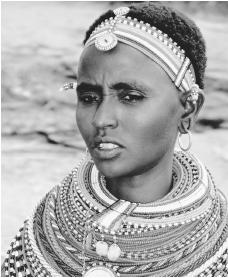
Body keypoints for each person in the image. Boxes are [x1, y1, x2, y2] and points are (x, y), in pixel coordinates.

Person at [2, 2, 228, 277]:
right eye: (88, 98)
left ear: (189, 108)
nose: (100, 119)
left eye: (131, 97)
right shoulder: (44, 232)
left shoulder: (219, 248)